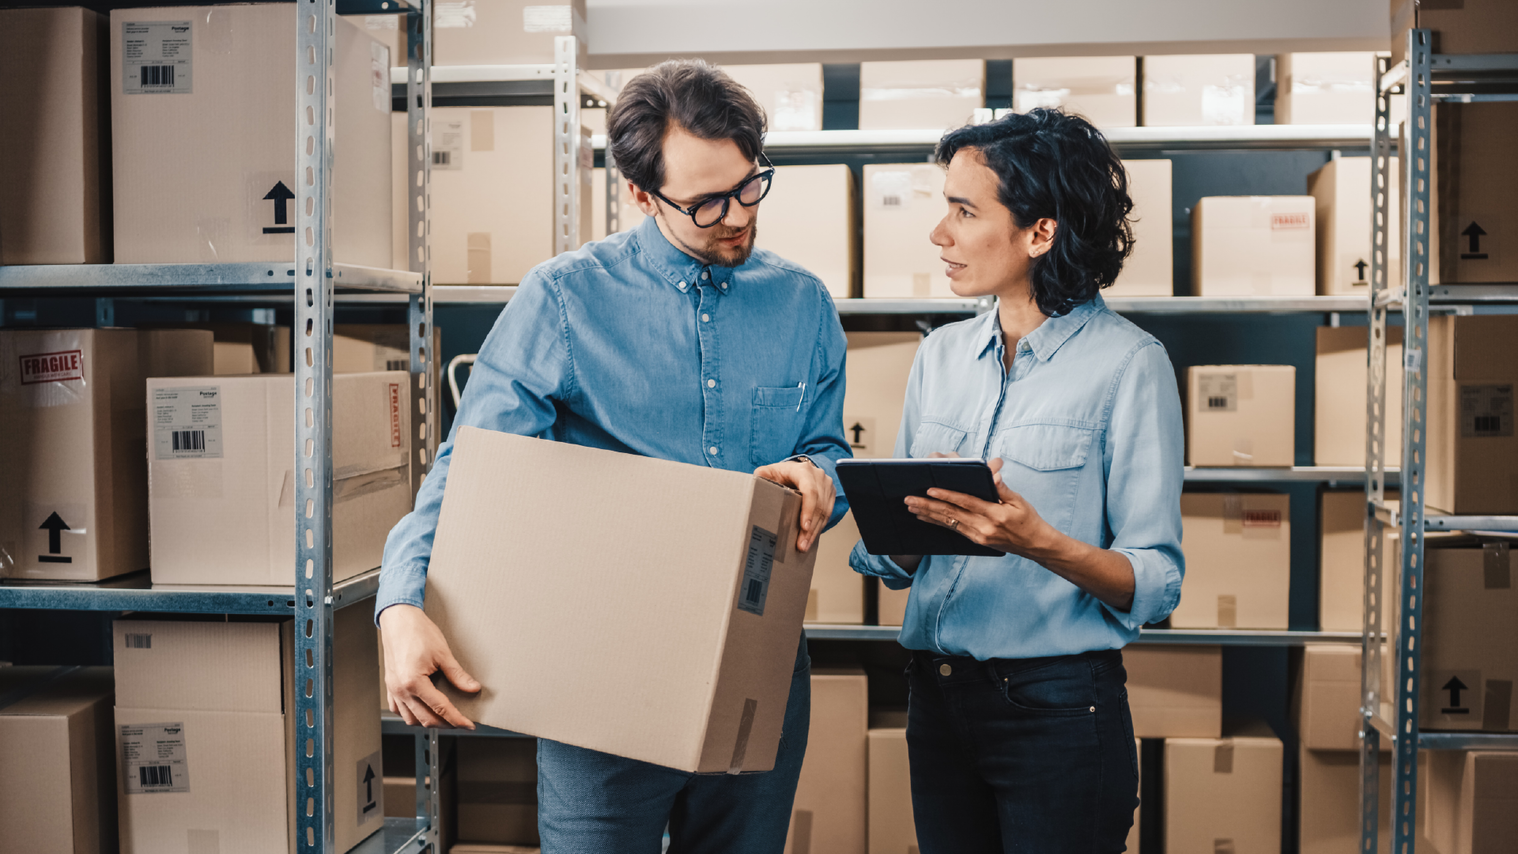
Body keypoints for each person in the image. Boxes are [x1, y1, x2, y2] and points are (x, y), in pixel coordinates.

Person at [375, 60, 851, 853]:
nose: (736, 216)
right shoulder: (564, 300)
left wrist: (820, 477)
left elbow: (825, 446)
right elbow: (471, 469)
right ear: (640, 194)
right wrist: (400, 604)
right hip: (603, 674)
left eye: (749, 186)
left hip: (757, 664)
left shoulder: (803, 303)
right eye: (704, 203)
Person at [849, 109, 1185, 853]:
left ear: (1041, 232)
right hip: (936, 701)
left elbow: (1156, 582)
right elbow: (885, 564)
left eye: (965, 212)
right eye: (945, 209)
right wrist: (907, 523)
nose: (941, 234)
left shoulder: (1130, 366)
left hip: (1058, 712)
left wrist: (1040, 544)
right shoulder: (938, 357)